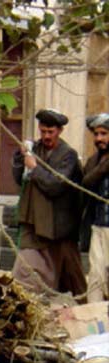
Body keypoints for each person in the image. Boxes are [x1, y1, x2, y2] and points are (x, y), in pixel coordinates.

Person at [11, 108, 86, 299]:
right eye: (43, 131)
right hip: (32, 221)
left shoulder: (68, 155)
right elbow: (20, 179)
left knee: (72, 277)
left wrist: (34, 168)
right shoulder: (35, 149)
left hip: (58, 227)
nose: (46, 136)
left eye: (50, 132)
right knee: (25, 272)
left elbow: (56, 185)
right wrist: (20, 158)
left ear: (59, 131)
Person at [82, 113, 109, 303]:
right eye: (96, 134)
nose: (99, 139)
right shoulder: (94, 162)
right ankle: (97, 324)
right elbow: (85, 184)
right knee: (96, 275)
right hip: (99, 226)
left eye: (104, 134)